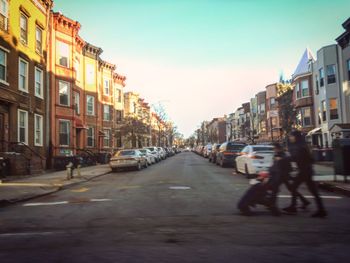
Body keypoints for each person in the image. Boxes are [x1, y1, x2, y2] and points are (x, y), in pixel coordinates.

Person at [283, 130, 327, 218]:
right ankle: (321, 210)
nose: (290, 138)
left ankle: (293, 207)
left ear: (296, 137)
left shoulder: (300, 147)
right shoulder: (302, 145)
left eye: (292, 136)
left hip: (304, 171)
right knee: (313, 191)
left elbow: (295, 157)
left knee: (294, 187)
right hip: (306, 170)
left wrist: (285, 159)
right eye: (290, 136)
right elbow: (310, 159)